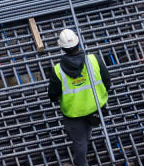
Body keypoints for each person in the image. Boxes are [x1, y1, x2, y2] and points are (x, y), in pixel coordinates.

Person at [47, 29, 111, 166]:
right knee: (86, 133)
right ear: (78, 43)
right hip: (95, 107)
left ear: (62, 47)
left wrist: (55, 99)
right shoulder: (94, 59)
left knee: (79, 142)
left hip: (73, 112)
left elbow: (53, 93)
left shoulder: (57, 70)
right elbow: (107, 80)